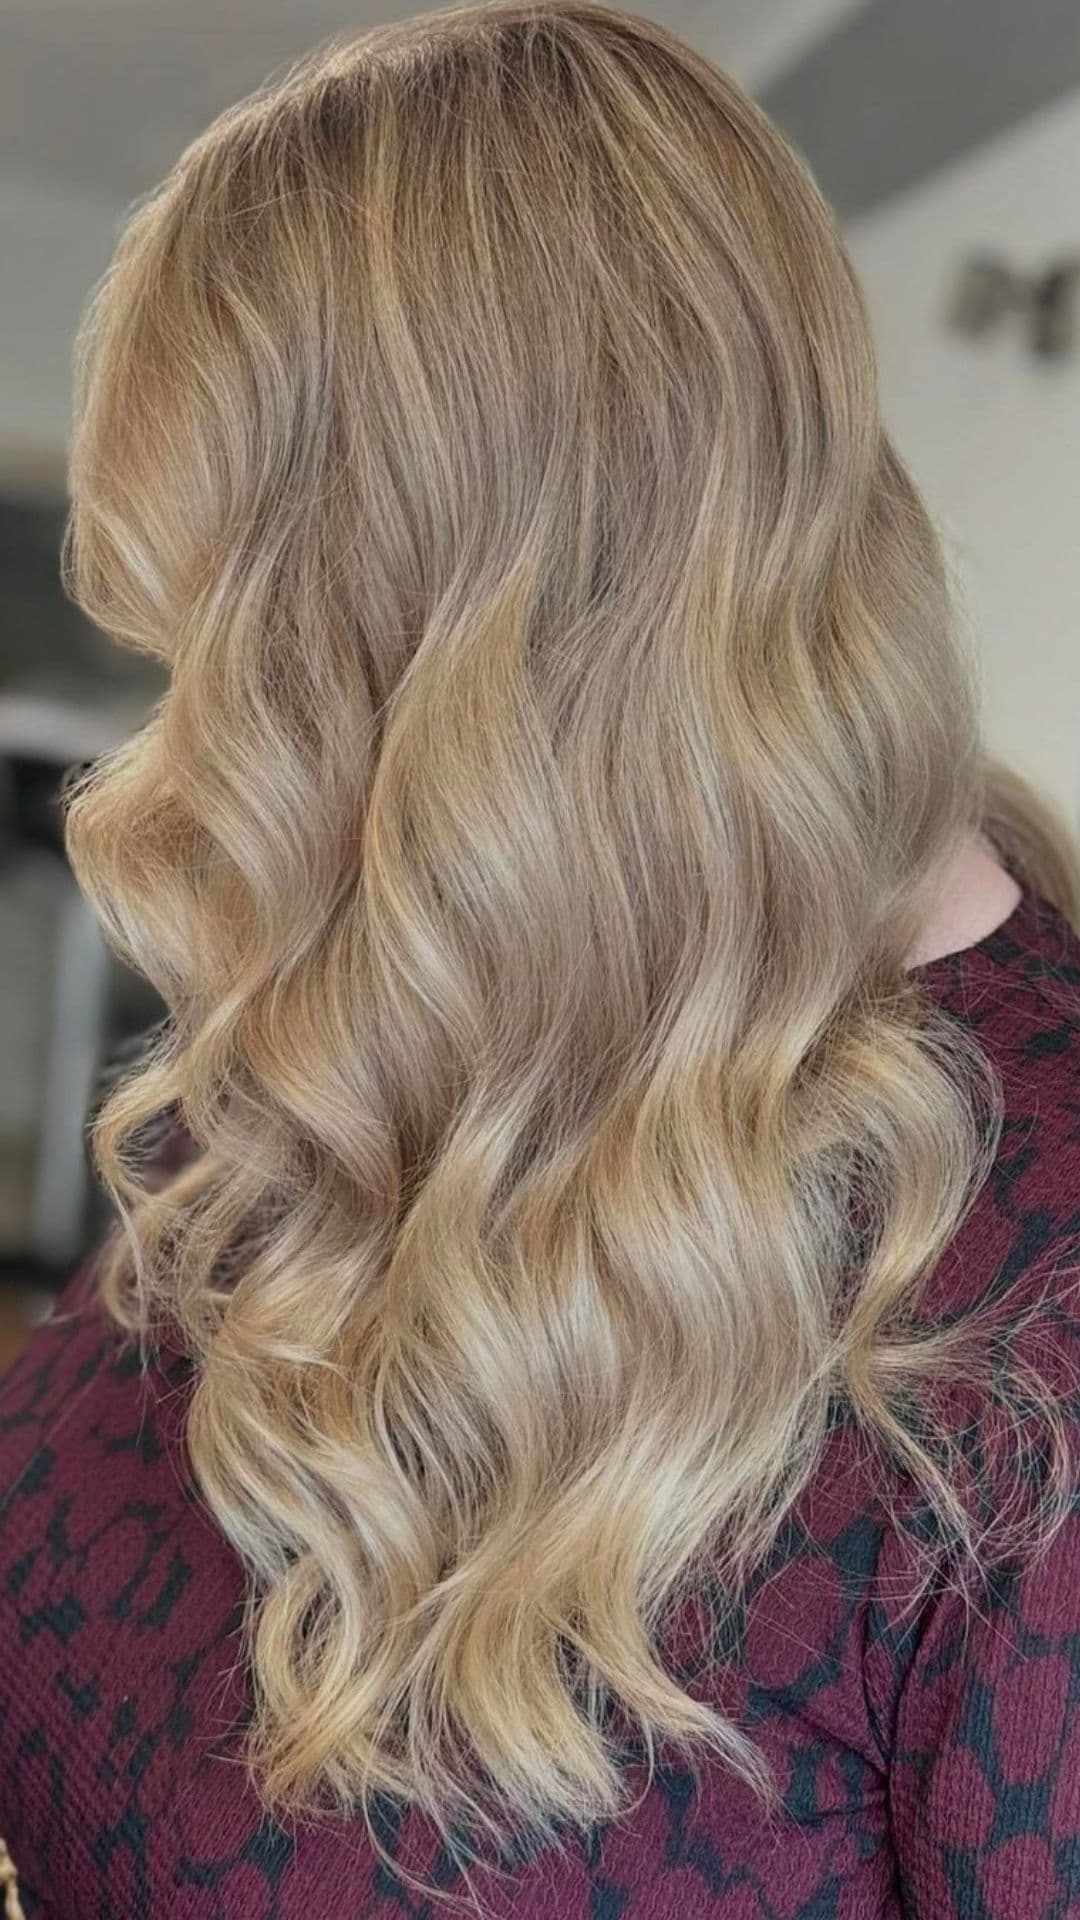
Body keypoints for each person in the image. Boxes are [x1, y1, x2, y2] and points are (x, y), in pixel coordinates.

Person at [1, 3, 1079, 1915]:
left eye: (241, 659)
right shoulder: (367, 1028)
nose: (184, 764)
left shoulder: (1037, 1331)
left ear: (490, 655)